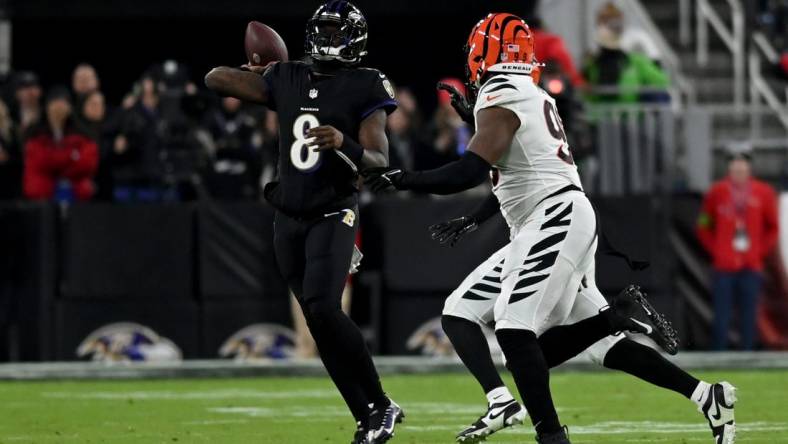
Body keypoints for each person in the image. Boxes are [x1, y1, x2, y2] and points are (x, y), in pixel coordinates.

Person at [364, 13, 736, 444]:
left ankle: (556, 427)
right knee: (464, 312)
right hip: (551, 216)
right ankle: (705, 395)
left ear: (486, 52)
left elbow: (469, 170)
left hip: (552, 218)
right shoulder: (529, 92)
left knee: (514, 332)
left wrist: (402, 178)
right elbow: (517, 170)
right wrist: (475, 214)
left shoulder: (501, 93)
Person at [205, 2, 402, 443]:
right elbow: (215, 79)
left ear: (355, 39)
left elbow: (378, 159)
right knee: (317, 319)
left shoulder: (367, 83)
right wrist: (262, 69)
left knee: (324, 307)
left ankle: (381, 403)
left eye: (336, 32)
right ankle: (365, 414)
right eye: (324, 31)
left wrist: (344, 143)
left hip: (333, 208)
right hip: (287, 215)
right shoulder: (288, 76)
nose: (328, 40)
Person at [697, 151, 779, 351]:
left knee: (749, 314)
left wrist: (759, 251)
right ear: (729, 169)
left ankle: (747, 354)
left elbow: (773, 227)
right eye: (735, 168)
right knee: (721, 314)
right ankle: (718, 355)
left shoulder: (763, 192)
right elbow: (703, 224)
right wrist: (716, 250)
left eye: (743, 168)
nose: (739, 172)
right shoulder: (717, 192)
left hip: (751, 265)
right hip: (724, 265)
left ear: (749, 170)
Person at [583, 2, 670, 103]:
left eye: (613, 21)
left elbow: (660, 79)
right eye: (606, 21)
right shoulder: (591, 63)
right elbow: (662, 79)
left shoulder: (637, 48)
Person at [23, 87, 98, 202]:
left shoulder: (83, 134)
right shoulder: (34, 134)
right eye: (55, 106)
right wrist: (70, 157)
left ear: (69, 108)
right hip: (42, 196)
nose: (58, 110)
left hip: (78, 195)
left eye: (62, 106)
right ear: (47, 108)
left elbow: (87, 163)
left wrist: (59, 164)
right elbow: (40, 161)